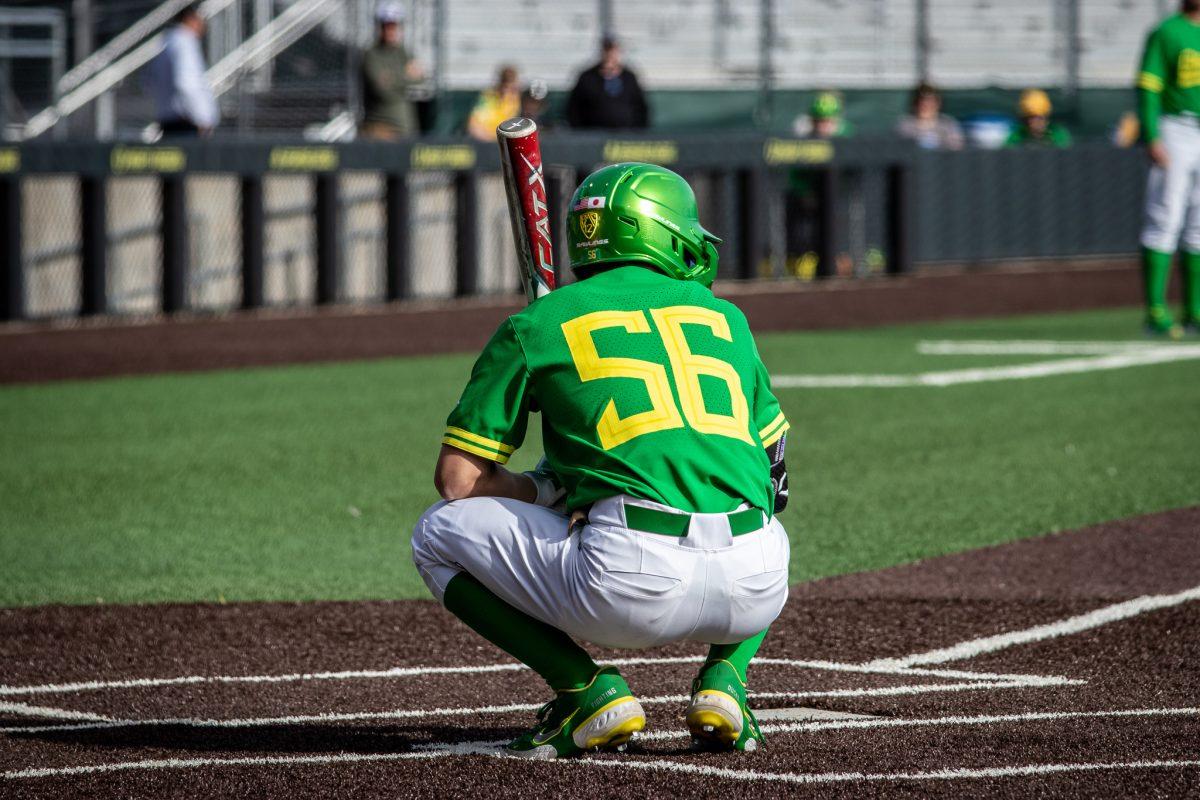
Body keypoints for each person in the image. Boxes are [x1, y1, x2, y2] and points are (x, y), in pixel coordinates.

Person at [412, 163, 791, 758]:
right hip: (755, 585)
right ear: (663, 233)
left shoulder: (537, 324)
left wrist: (543, 490)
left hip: (627, 588)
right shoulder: (726, 317)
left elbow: (457, 482)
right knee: (764, 511)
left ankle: (585, 690)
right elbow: (775, 473)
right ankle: (727, 680)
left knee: (435, 535)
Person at [1136, 0, 1200, 337]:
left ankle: (1195, 310)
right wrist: (1152, 133)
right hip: (1176, 128)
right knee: (1165, 215)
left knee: (1199, 224)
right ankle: (1155, 311)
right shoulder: (1167, 32)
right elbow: (1149, 85)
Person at [146, 4, 218, 136]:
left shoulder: (166, 42)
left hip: (168, 119)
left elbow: (149, 82)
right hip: (187, 122)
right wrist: (202, 118)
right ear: (190, 18)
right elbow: (186, 83)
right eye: (200, 18)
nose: (203, 23)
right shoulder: (185, 42)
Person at [360, 2, 423, 141]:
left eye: (394, 25)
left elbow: (421, 77)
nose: (391, 30)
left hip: (407, 130)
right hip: (380, 130)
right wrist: (406, 75)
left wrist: (393, 78)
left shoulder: (402, 52)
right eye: (387, 25)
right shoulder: (371, 54)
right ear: (380, 27)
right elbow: (382, 90)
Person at [566, 36, 649, 129]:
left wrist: (637, 131)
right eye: (606, 50)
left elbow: (641, 107)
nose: (609, 54)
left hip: (625, 133)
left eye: (613, 50)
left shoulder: (629, 77)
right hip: (594, 133)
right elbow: (574, 107)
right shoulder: (587, 77)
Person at [895, 83, 963, 150]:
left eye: (930, 102)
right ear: (915, 104)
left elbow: (956, 148)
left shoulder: (948, 124)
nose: (926, 106)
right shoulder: (904, 125)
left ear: (938, 104)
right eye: (922, 102)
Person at [466, 65, 521, 141]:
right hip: (486, 142)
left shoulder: (516, 100)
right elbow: (473, 127)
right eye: (505, 83)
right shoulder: (488, 97)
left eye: (511, 85)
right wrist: (493, 139)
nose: (507, 89)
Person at [1004, 89, 1072, 148]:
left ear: (1046, 119)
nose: (1034, 122)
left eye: (1039, 118)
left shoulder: (1057, 134)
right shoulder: (1018, 136)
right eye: (1031, 118)